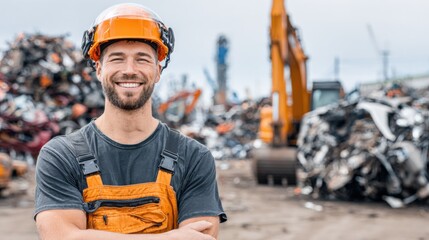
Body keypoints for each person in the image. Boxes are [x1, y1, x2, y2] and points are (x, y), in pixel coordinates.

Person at [34, 3, 227, 240]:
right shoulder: (61, 155)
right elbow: (60, 237)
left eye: (142, 59)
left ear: (158, 71)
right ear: (98, 68)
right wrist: (169, 238)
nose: (129, 70)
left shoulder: (194, 157)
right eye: (117, 58)